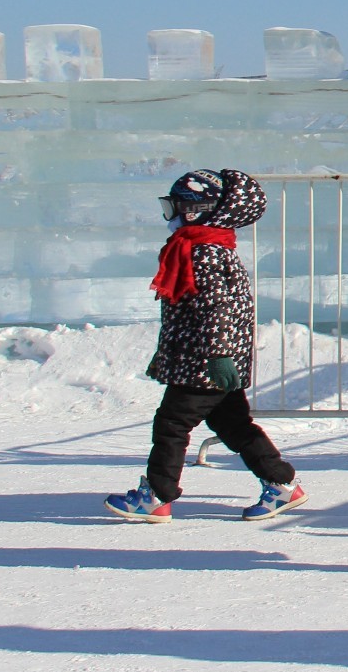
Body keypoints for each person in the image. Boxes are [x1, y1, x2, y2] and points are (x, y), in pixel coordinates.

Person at [107, 169, 305, 523]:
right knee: (235, 426)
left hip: (204, 361)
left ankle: (156, 496)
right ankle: (282, 484)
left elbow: (217, 307)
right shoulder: (206, 246)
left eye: (177, 206)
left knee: (171, 424)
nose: (172, 214)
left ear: (197, 209)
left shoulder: (203, 252)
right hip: (203, 357)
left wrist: (218, 355)